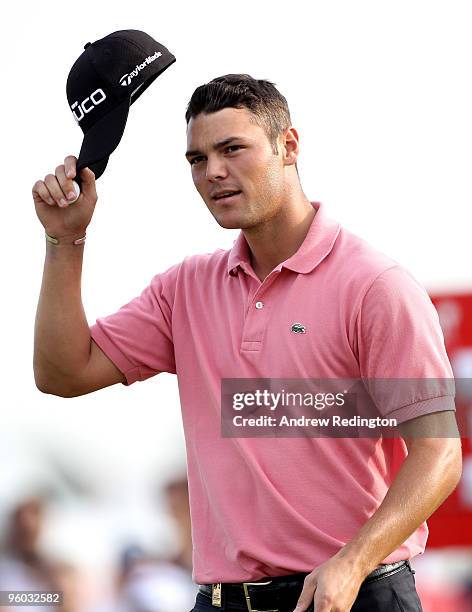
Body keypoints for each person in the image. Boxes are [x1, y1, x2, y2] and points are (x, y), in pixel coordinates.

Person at [32, 74, 462, 612]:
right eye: (196, 159)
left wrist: (353, 562)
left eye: (232, 149)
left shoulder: (376, 287)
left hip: (355, 593)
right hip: (222, 600)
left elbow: (439, 454)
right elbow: (62, 373)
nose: (213, 171)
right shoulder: (184, 289)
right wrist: (64, 240)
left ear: (289, 147)